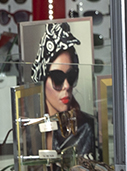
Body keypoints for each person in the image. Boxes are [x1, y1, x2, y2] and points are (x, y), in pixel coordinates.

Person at [31, 20, 96, 159]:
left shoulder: (86, 128)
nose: (67, 86)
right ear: (43, 80)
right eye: (58, 78)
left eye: (71, 76)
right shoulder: (29, 130)